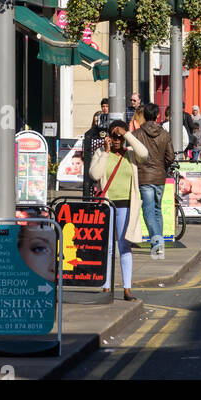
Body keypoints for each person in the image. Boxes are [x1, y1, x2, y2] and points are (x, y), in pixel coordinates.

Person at [88, 122, 149, 301]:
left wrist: (127, 134)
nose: (116, 140)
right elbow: (95, 175)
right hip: (106, 206)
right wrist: (106, 153)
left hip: (125, 205)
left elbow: (144, 154)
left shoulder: (130, 154)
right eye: (113, 136)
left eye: (119, 137)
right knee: (107, 247)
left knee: (124, 246)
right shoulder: (101, 153)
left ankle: (127, 288)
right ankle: (106, 286)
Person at [130, 102, 173, 259]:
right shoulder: (165, 134)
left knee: (148, 212)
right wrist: (162, 166)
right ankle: (158, 245)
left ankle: (157, 244)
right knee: (157, 210)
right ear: (157, 116)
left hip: (144, 177)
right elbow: (171, 157)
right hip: (160, 177)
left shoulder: (137, 134)